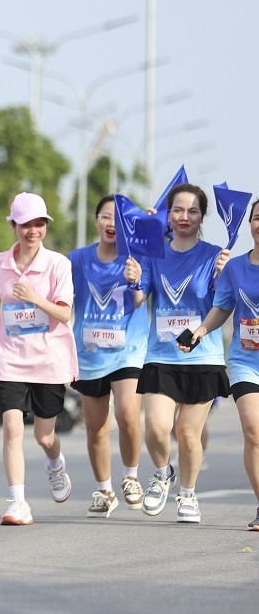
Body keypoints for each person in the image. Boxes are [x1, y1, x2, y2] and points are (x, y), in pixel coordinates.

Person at [0, 192, 78, 526]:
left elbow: (64, 312)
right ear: (13, 225)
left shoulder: (58, 264)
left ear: (45, 225)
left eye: (39, 224)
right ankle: (17, 502)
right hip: (10, 356)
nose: (32, 230)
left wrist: (34, 297)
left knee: (44, 436)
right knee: (11, 428)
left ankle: (55, 462)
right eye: (25, 224)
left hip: (48, 358)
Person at [134, 182, 230, 523]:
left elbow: (224, 305)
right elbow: (137, 300)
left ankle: (188, 495)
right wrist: (133, 278)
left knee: (188, 433)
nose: (184, 217)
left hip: (203, 356)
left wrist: (224, 275)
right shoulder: (151, 254)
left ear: (202, 216)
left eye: (192, 211)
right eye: (177, 210)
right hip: (161, 355)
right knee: (157, 428)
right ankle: (163, 473)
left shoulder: (216, 255)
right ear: (167, 215)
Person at [68, 196, 148, 518]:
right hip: (89, 354)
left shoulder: (136, 259)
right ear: (96, 220)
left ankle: (130, 476)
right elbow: (60, 296)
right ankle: (104, 490)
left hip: (128, 349)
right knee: (96, 426)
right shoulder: (77, 259)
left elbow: (141, 300)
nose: (111, 223)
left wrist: (137, 280)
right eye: (105, 216)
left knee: (128, 414)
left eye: (118, 218)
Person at [182, 198, 259, 529]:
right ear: (250, 224)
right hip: (245, 361)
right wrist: (199, 331)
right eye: (258, 218)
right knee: (254, 431)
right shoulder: (236, 268)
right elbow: (222, 307)